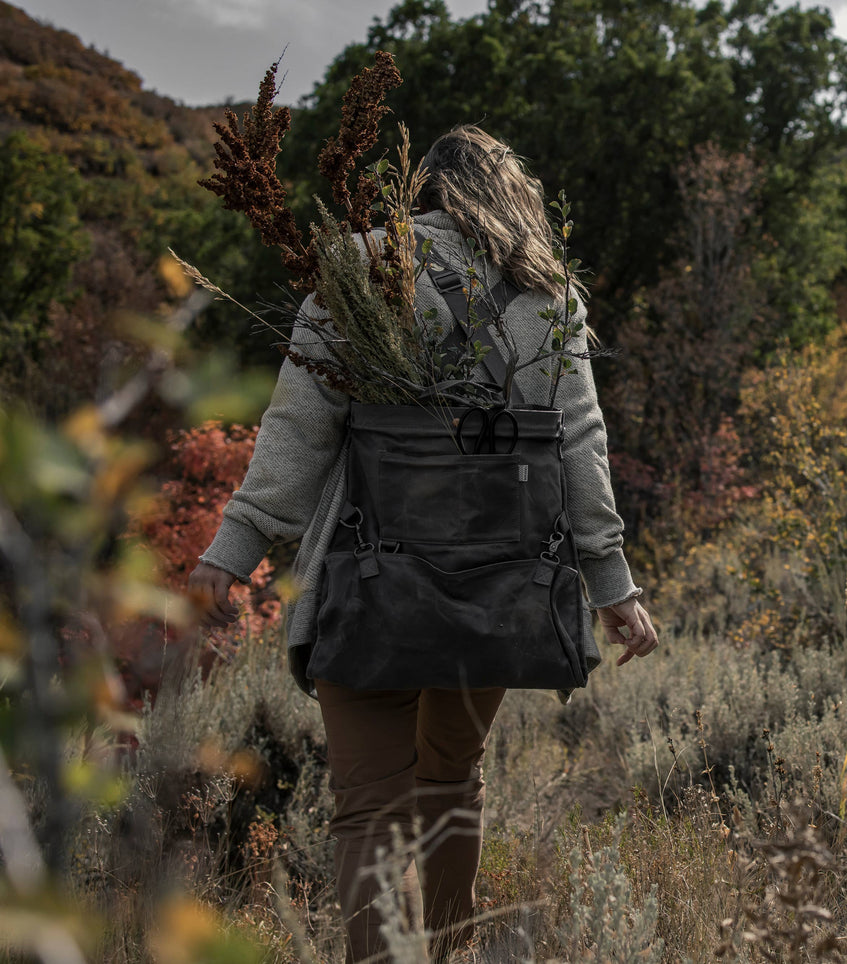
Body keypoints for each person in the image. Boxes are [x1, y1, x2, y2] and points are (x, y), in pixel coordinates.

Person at [187, 124, 658, 962]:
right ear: (511, 196)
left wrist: (234, 547)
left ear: (424, 191)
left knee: (369, 803)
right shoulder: (548, 292)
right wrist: (612, 585)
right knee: (450, 787)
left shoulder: (362, 264)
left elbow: (299, 425)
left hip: (369, 577)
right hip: (502, 581)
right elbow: (580, 444)